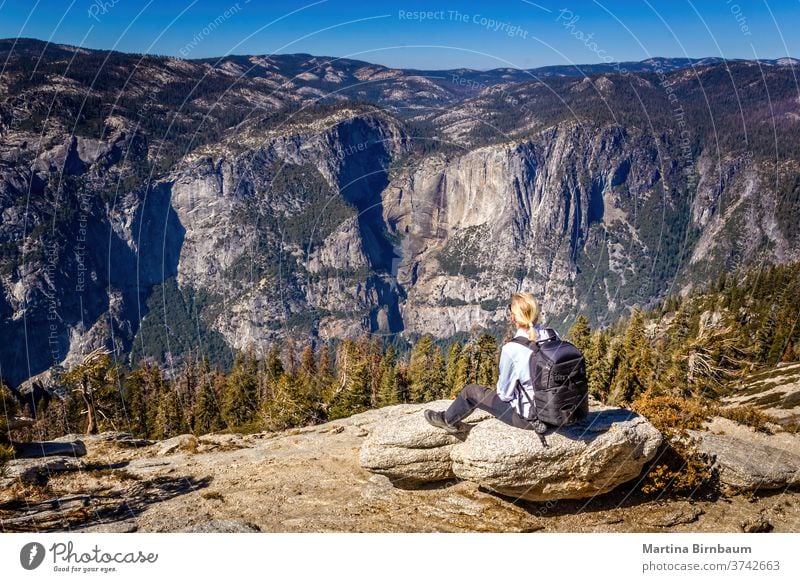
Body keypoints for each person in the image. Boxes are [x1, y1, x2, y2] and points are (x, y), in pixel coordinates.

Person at [424, 292, 556, 435]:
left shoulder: (512, 349)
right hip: (558, 409)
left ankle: (447, 419)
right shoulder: (552, 334)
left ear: (513, 317)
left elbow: (504, 395)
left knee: (471, 391)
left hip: (531, 418)